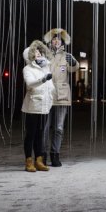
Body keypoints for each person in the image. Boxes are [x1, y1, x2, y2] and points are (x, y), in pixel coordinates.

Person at [42, 28, 79, 167]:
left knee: (58, 128)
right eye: (54, 39)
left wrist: (74, 62)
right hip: (47, 94)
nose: (56, 41)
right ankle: (42, 154)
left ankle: (55, 154)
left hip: (62, 95)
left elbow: (74, 68)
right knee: (45, 128)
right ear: (50, 41)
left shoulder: (66, 56)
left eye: (59, 39)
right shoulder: (45, 55)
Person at [21, 40, 54, 172]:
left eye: (40, 51)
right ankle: (29, 161)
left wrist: (51, 96)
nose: (39, 53)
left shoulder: (46, 67)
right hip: (33, 106)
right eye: (35, 52)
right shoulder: (28, 69)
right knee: (31, 134)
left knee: (40, 134)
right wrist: (43, 79)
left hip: (44, 106)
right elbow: (30, 84)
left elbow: (49, 86)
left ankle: (39, 160)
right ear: (30, 55)